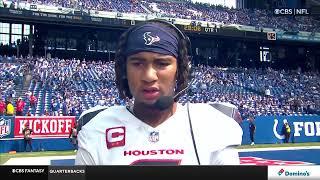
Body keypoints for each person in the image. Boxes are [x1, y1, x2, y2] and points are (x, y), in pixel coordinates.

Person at [75, 19, 243, 165]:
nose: (149, 76)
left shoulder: (212, 124)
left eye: (162, 64)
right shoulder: (96, 128)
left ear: (181, 69)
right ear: (124, 69)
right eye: (137, 63)